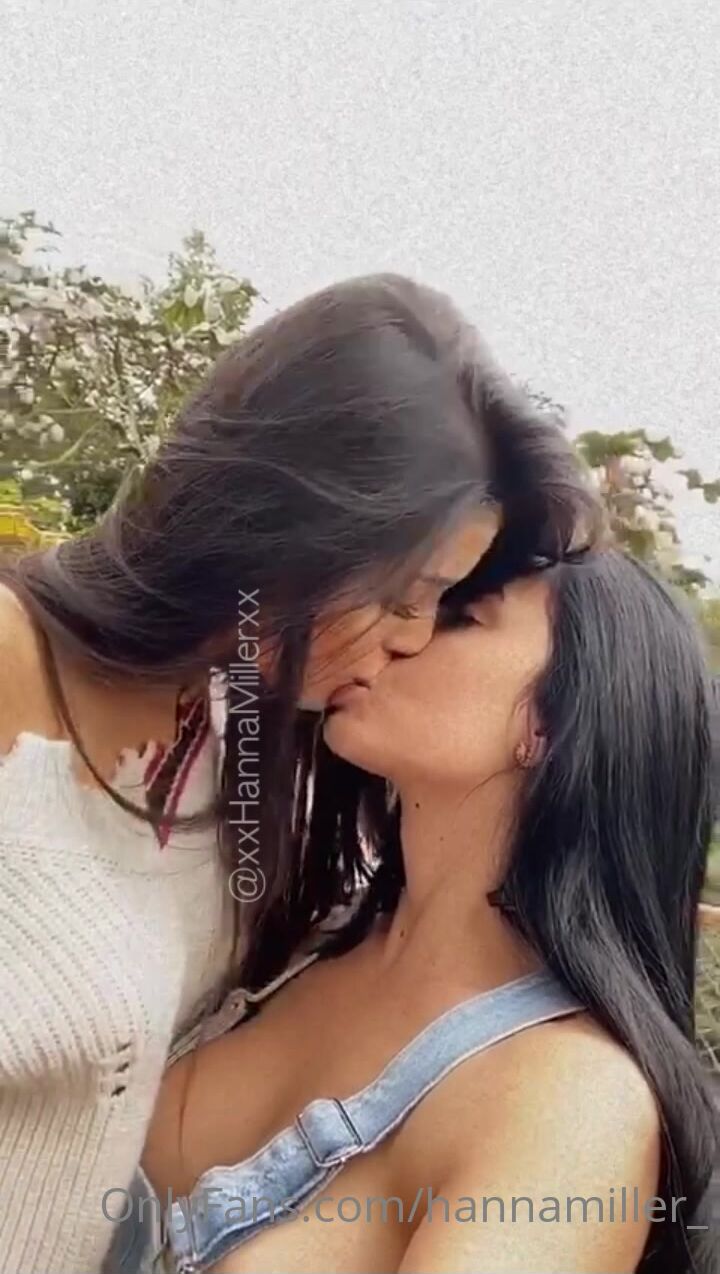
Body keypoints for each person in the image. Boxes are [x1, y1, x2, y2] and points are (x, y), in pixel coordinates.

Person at [0, 272, 597, 1273]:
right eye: (407, 594)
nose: (414, 638)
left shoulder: (246, 742)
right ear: (285, 532)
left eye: (447, 604)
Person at [140, 549, 718, 1274]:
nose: (398, 632)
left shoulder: (569, 1102)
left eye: (458, 615)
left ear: (550, 723)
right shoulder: (289, 927)